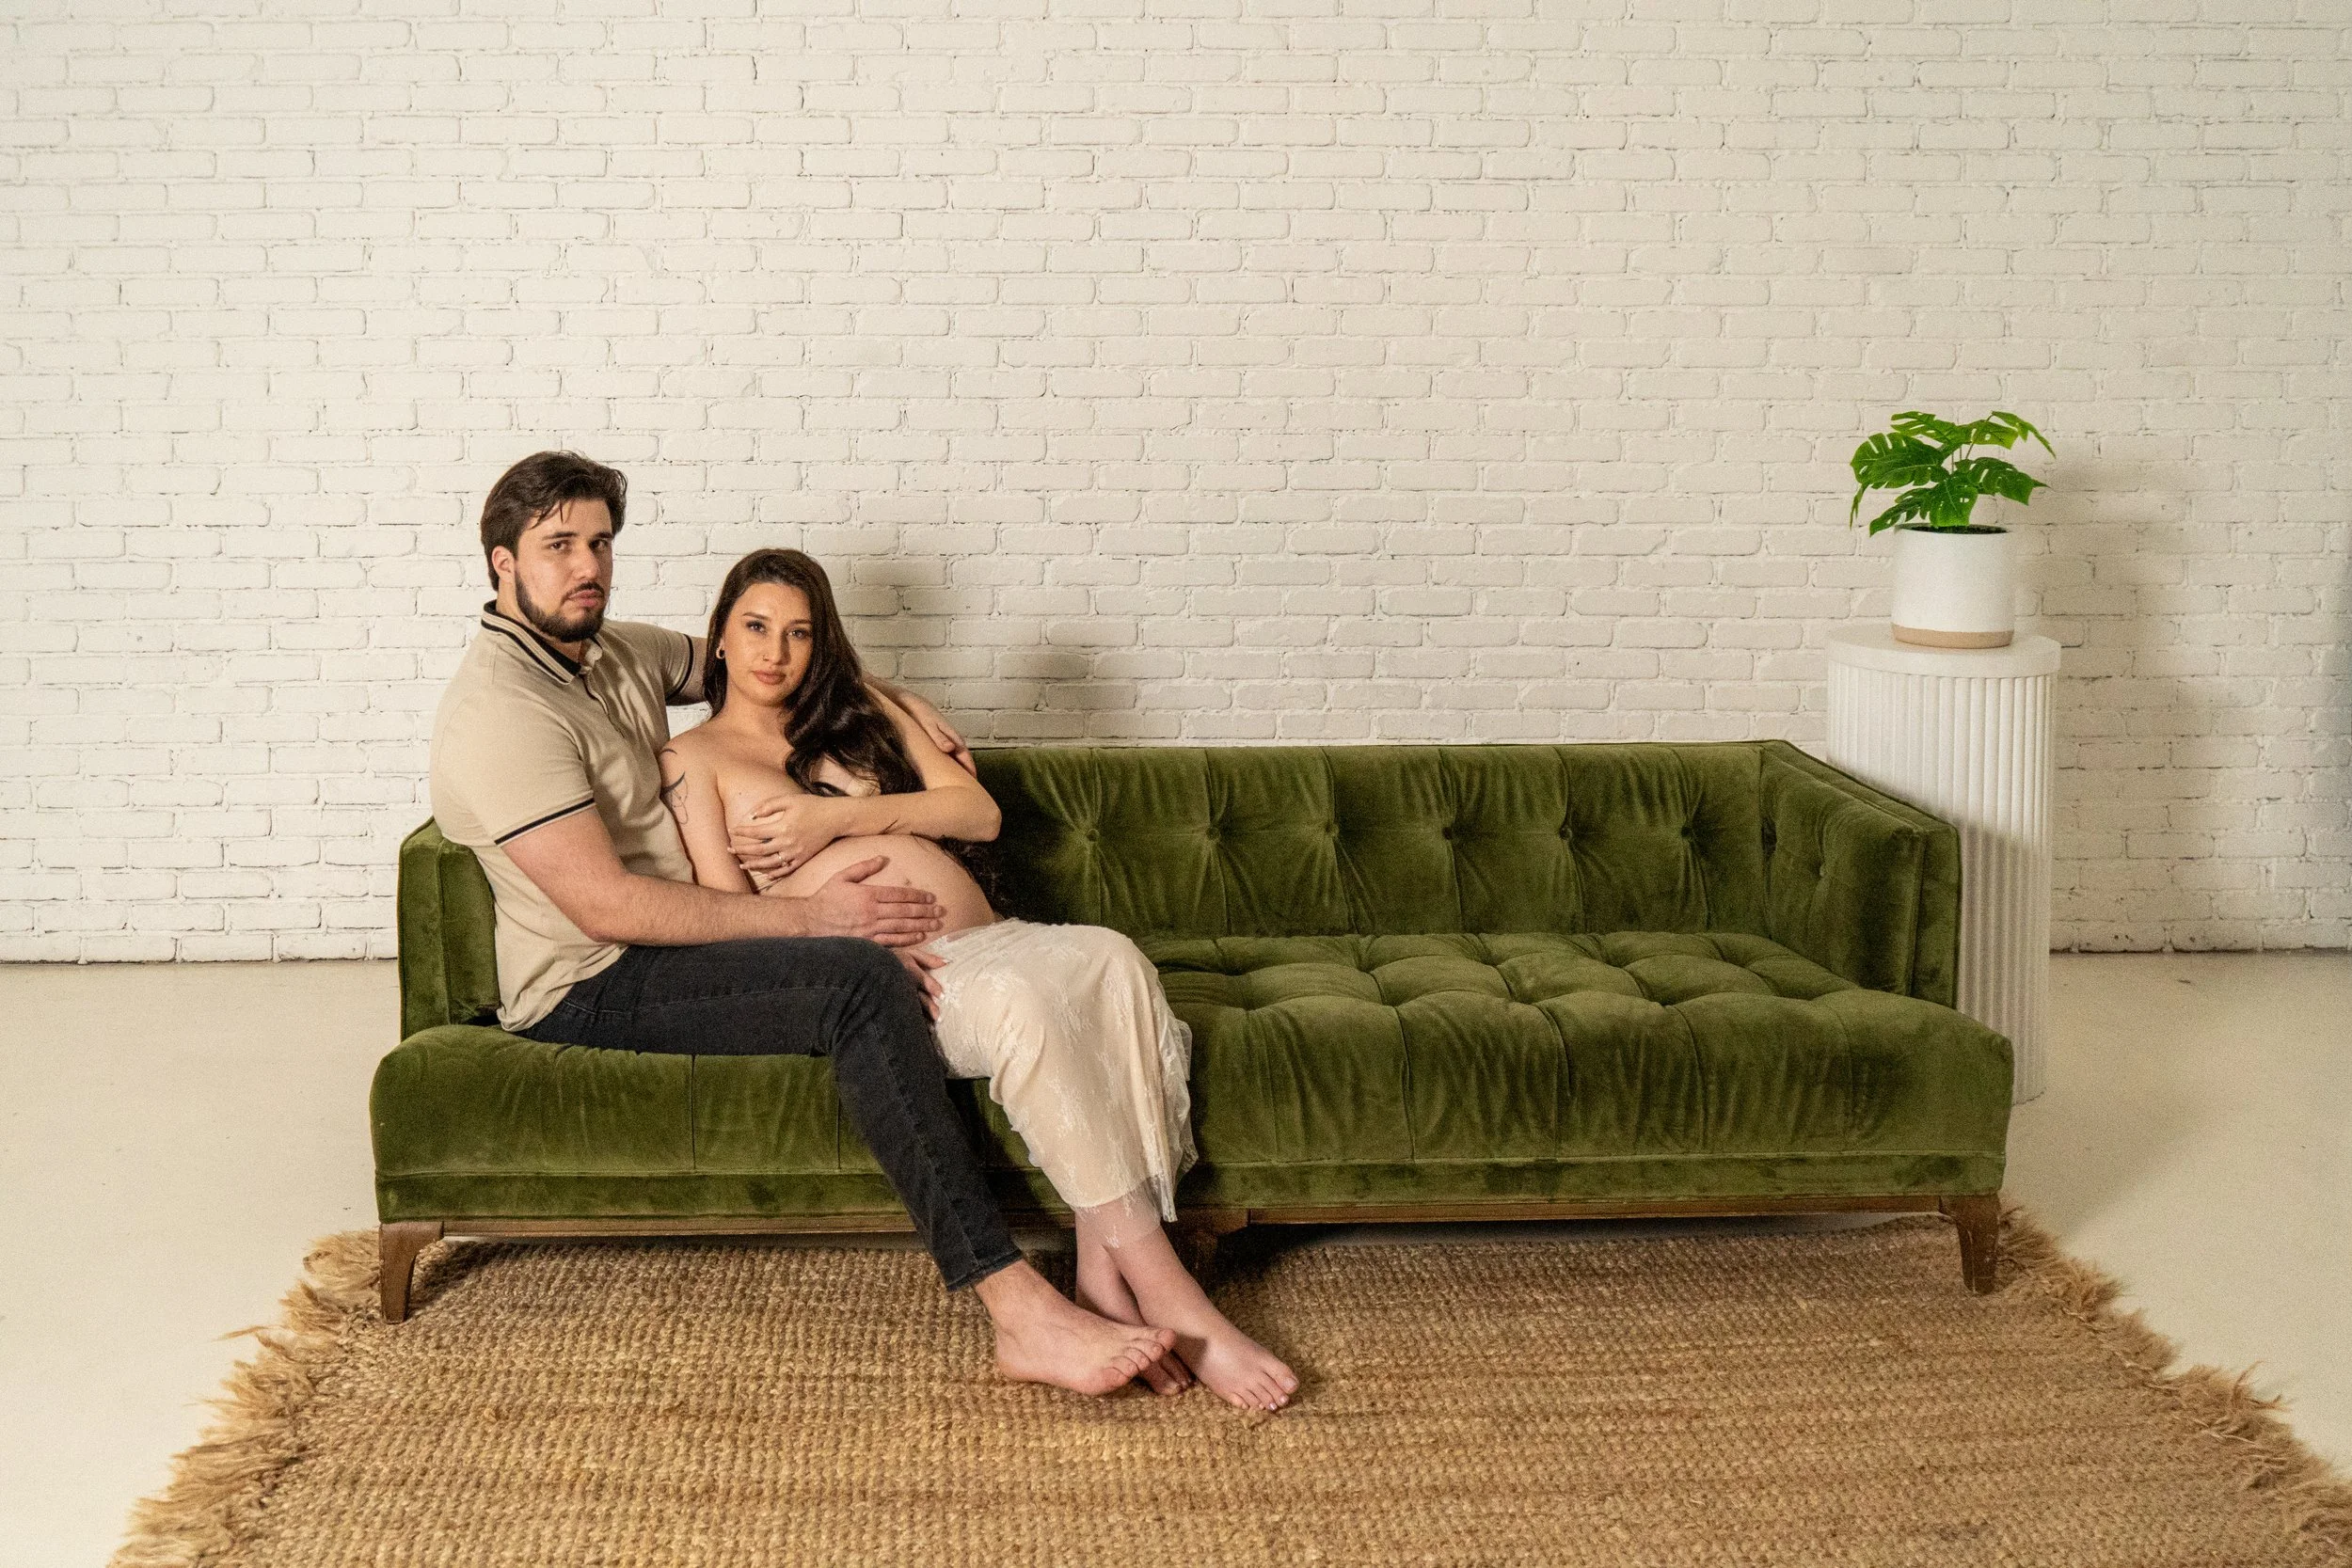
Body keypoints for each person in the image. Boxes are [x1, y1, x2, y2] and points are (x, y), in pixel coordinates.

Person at [428, 450, 1183, 1399]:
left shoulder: (607, 649)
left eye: (600, 542)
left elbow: (769, 661)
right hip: (594, 977)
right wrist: (813, 917)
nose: (586, 566)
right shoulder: (502, 712)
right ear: (502, 564)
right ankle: (1015, 1305)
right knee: (856, 977)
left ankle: (1120, 1257)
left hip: (672, 939)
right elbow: (606, 906)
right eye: (556, 546)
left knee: (892, 964)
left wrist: (900, 701)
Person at [657, 547, 1299, 1412]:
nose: (777, 651)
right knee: (1031, 1008)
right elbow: (727, 913)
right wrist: (848, 951)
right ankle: (1176, 1296)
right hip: (895, 979)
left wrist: (829, 818)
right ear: (721, 639)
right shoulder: (691, 759)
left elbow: (976, 811)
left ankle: (1103, 1275)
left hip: (990, 937)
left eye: (801, 632)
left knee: (1113, 958)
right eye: (757, 627)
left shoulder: (859, 710)